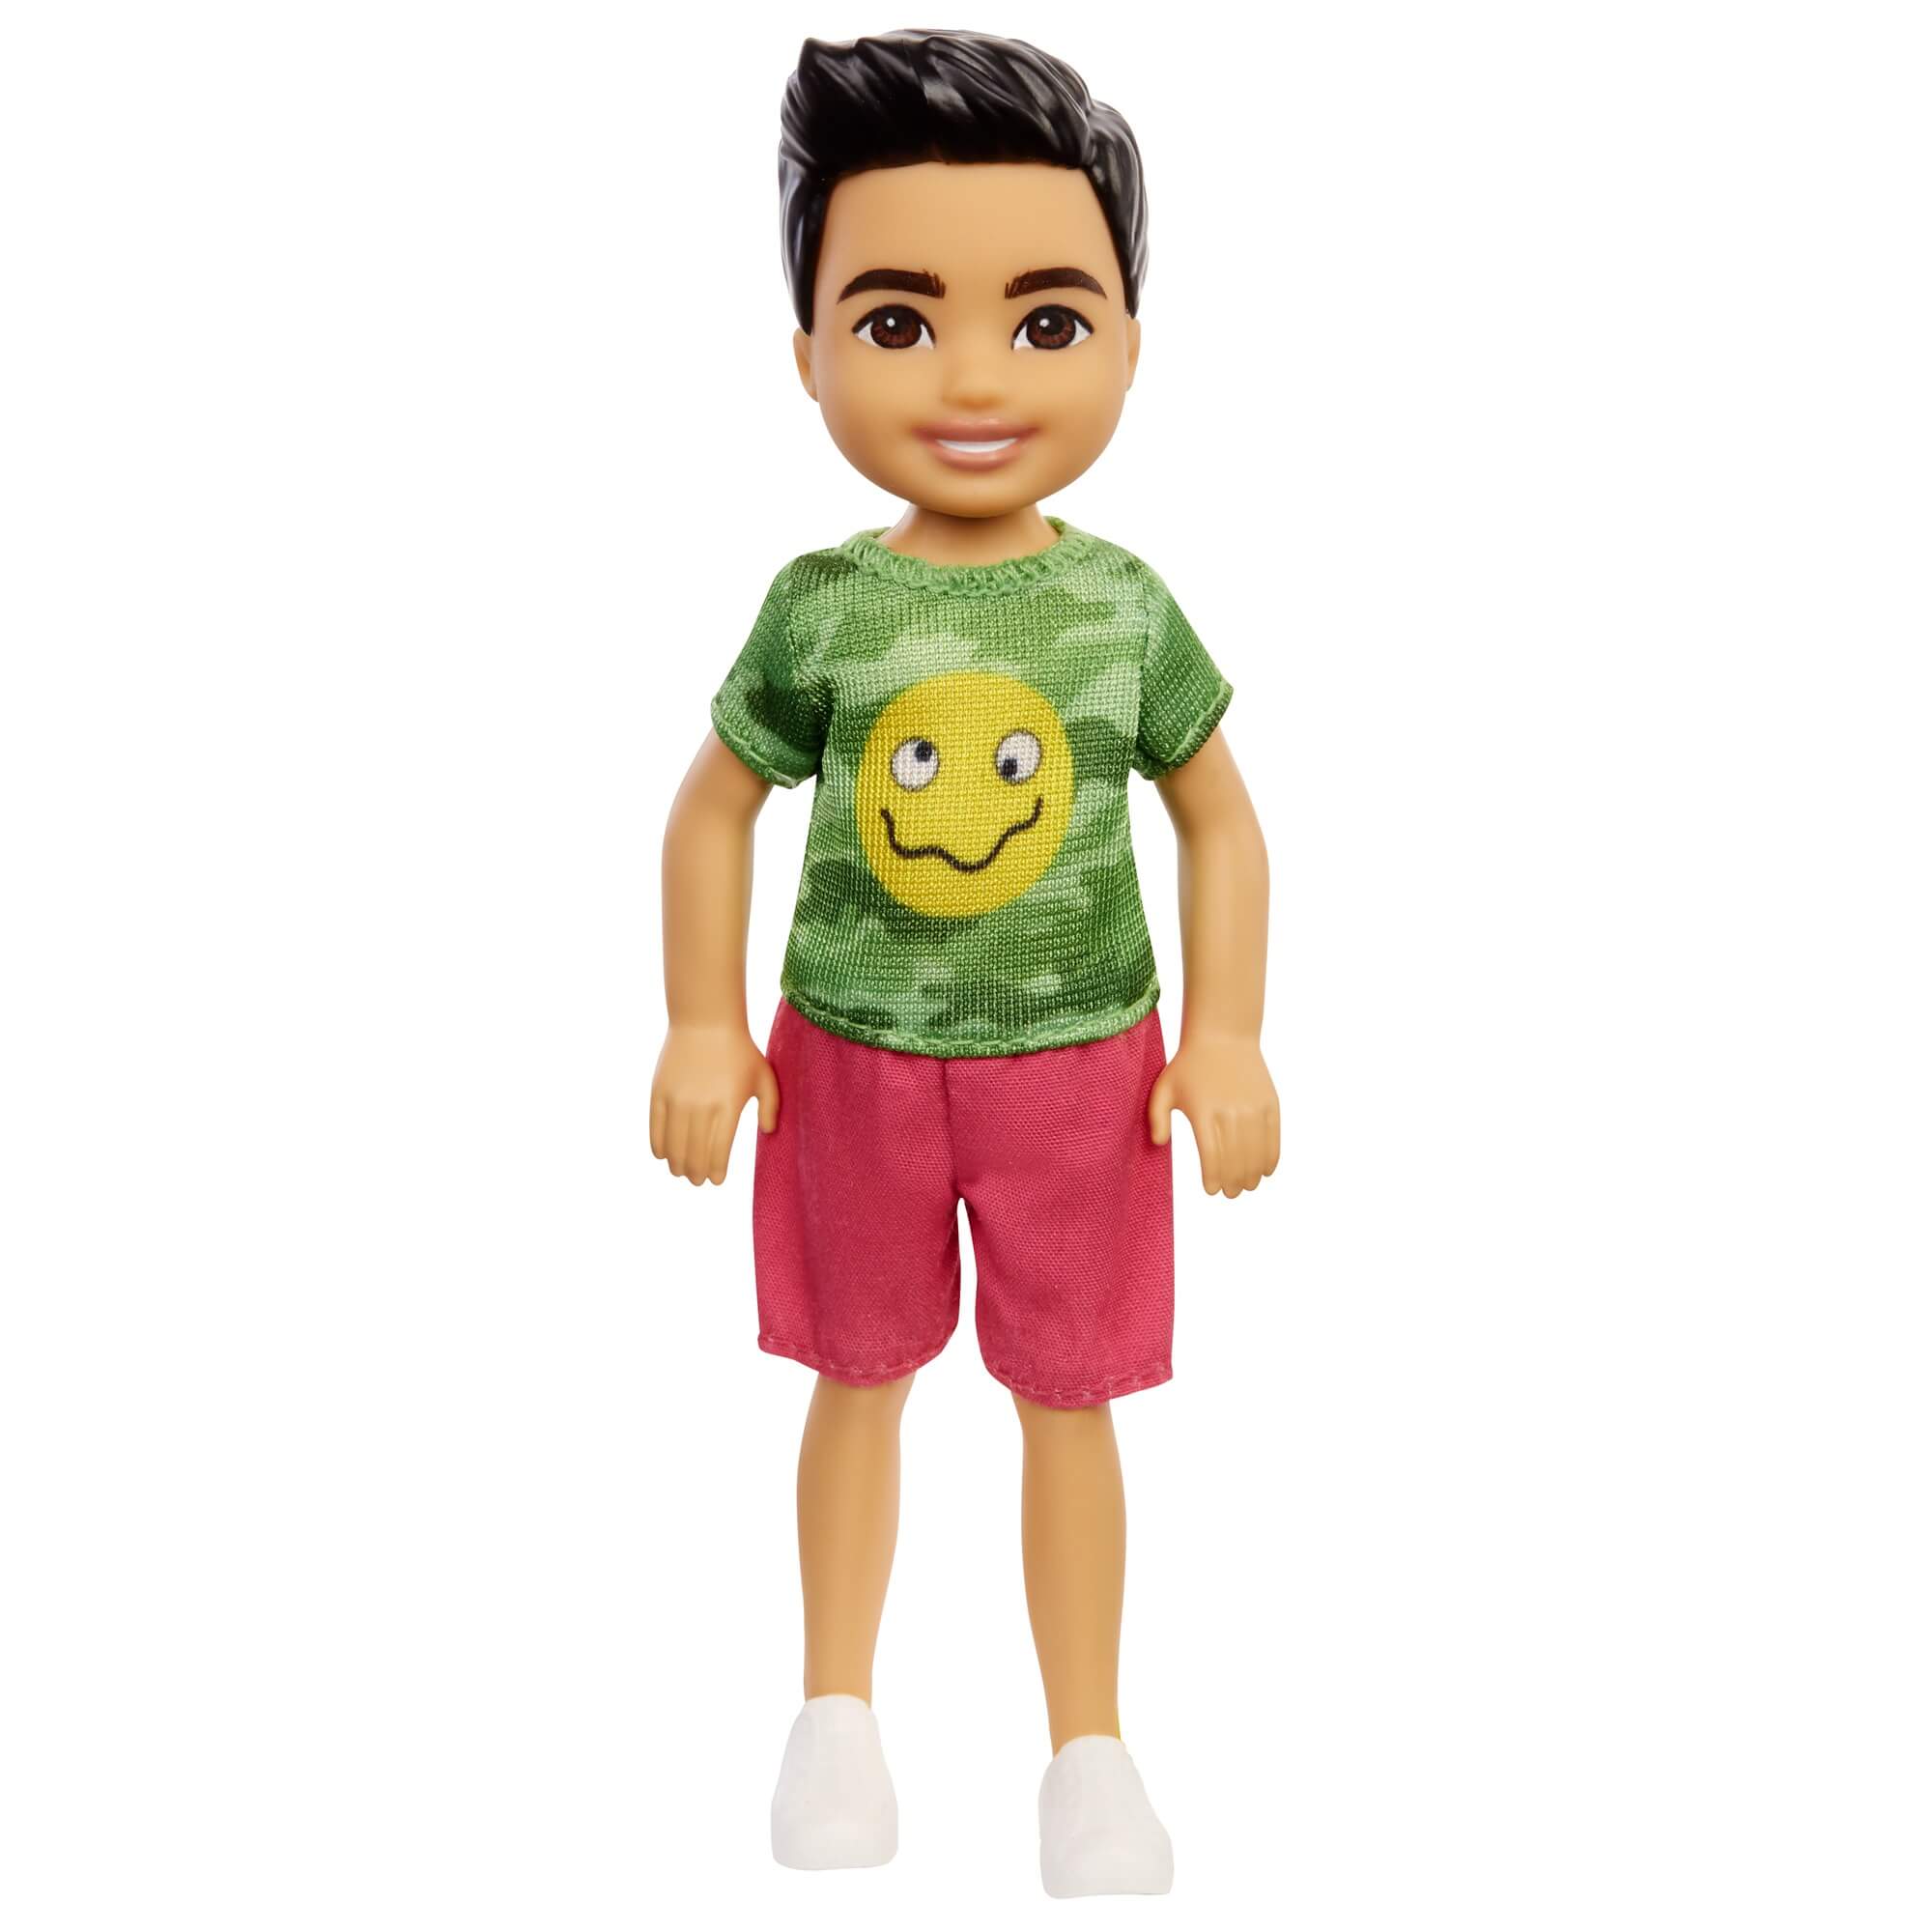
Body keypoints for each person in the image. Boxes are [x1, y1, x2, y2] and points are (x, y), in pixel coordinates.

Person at [650, 28, 1279, 1898]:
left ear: (1130, 343)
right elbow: (712, 806)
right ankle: (833, 1712)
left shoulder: (1121, 605)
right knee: (857, 1375)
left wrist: (1229, 1037)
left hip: (1084, 1068)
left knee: (1068, 1396)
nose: (979, 377)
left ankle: (1088, 1743)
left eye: (1049, 318)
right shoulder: (823, 605)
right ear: (810, 351)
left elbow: (1221, 818)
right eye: (900, 321)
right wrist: (699, 1022)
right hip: (849, 1058)